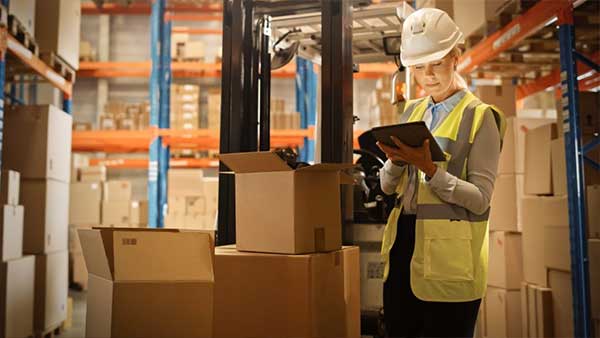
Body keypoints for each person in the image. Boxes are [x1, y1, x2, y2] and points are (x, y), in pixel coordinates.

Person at [377, 7, 506, 338]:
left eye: (437, 63)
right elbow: (388, 188)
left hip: (450, 265)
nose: (428, 75)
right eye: (419, 67)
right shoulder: (412, 111)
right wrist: (395, 162)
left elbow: (480, 200)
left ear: (456, 57)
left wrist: (431, 170)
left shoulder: (481, 118)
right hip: (403, 252)